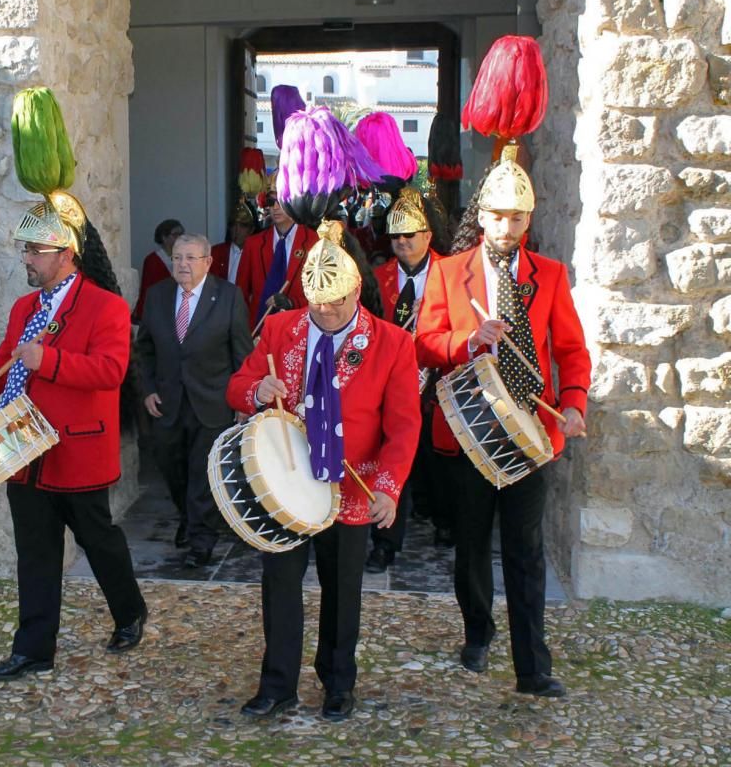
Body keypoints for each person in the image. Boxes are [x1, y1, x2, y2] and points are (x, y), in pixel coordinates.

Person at [0, 189, 148, 681]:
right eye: (24, 249)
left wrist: (48, 360)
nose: (25, 258)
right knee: (36, 556)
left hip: (77, 451)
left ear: (65, 254)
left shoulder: (105, 306)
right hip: (21, 449)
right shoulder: (25, 308)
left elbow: (110, 371)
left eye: (34, 251)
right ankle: (33, 649)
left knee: (99, 540)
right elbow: (1, 369)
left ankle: (129, 611)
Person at [416, 147, 591, 698]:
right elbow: (422, 345)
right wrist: (468, 342)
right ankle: (477, 631)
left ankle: (532, 666)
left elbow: (571, 350)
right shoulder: (447, 272)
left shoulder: (552, 276)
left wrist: (576, 403)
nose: (507, 226)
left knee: (525, 549)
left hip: (530, 434)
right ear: (482, 215)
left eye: (517, 218)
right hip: (469, 432)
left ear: (527, 221)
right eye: (498, 216)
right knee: (470, 546)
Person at [227, 223, 420, 721]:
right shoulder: (279, 328)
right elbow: (237, 385)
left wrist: (389, 488)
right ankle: (278, 684)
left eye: (336, 303)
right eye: (317, 304)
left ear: (357, 291)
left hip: (351, 484)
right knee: (280, 584)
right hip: (287, 484)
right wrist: (256, 392)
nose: (326, 313)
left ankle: (338, 683)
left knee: (342, 591)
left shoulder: (393, 344)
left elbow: (403, 426)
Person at [136, 233, 252, 568]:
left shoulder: (227, 296)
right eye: (177, 258)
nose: (182, 264)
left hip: (212, 400)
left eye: (190, 258)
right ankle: (188, 517)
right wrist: (148, 389)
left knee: (203, 473)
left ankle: (202, 539)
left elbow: (242, 354)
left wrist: (242, 399)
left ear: (206, 262)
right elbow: (144, 348)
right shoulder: (158, 296)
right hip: (168, 401)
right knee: (172, 467)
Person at [366, 188, 449, 573]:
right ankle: (385, 541)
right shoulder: (378, 276)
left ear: (427, 236)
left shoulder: (449, 274)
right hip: (391, 383)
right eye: (396, 237)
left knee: (437, 460)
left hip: (439, 382)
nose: (401, 243)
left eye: (409, 236)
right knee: (391, 459)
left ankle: (444, 521)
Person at [236, 194, 319, 329]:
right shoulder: (254, 243)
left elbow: (320, 293)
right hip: (259, 329)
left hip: (299, 328)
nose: (275, 207)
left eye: (281, 201)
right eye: (271, 202)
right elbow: (241, 293)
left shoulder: (313, 241)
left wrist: (292, 303)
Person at [132, 218, 184, 322]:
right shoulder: (153, 260)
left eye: (181, 234)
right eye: (175, 235)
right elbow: (147, 289)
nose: (180, 238)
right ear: (164, 237)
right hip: (160, 312)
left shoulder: (184, 258)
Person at [211, 201, 254, 287]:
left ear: (251, 229)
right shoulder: (216, 252)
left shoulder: (257, 254)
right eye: (234, 225)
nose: (237, 230)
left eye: (242, 226)